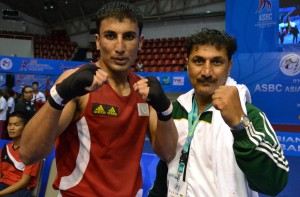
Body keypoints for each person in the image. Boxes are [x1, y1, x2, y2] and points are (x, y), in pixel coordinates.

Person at [19, 2, 178, 197]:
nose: (120, 47)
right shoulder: (76, 83)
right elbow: (28, 154)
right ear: (98, 41)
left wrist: (164, 110)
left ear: (141, 42)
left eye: (128, 36)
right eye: (110, 36)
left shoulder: (144, 91)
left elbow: (168, 154)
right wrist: (59, 96)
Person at [148, 28, 289, 197]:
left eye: (216, 62)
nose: (206, 72)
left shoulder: (249, 115)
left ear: (229, 66)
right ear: (187, 65)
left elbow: (274, 184)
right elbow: (166, 169)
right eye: (198, 61)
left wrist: (240, 126)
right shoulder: (177, 110)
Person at [0, 111, 40, 196]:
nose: (11, 128)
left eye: (16, 125)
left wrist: (1, 193)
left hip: (21, 189)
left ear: (25, 127)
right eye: (9, 125)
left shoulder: (32, 151)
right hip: (3, 185)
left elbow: (24, 182)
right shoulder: (5, 147)